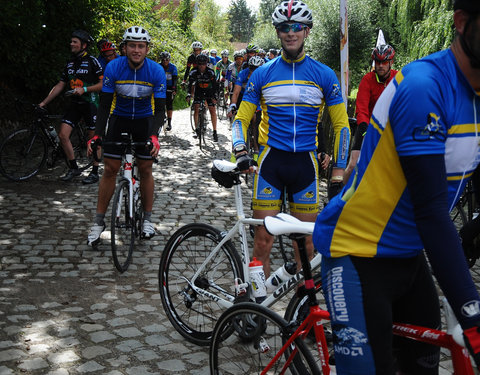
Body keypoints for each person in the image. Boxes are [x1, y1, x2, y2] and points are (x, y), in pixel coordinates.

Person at [313, 1, 480, 373]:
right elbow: (431, 211)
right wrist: (472, 313)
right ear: (463, 22)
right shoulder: (425, 86)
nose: (383, 65)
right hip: (357, 251)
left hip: (409, 254)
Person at [232, 0, 350, 276]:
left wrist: (338, 172)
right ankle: (257, 310)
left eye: (297, 27)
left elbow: (342, 126)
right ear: (278, 32)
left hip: (305, 167)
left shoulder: (324, 75)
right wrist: (240, 151)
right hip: (271, 164)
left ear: (306, 31)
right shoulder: (262, 74)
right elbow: (241, 119)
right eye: (284, 27)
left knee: (306, 246)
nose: (291, 33)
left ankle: (299, 313)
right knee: (262, 242)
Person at [87, 26, 166, 247]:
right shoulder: (114, 67)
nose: (136, 50)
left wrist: (154, 135)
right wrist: (96, 136)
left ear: (147, 49)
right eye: (132, 45)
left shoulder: (156, 71)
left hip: (144, 121)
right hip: (119, 118)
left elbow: (160, 109)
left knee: (146, 167)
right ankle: (98, 222)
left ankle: (147, 219)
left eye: (141, 46)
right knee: (110, 169)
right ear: (125, 47)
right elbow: (103, 106)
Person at [39, 29, 103, 184]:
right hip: (75, 104)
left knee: (94, 139)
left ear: (84, 45)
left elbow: (103, 84)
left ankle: (94, 171)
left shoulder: (93, 61)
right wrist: (43, 103)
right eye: (71, 41)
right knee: (62, 135)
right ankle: (74, 167)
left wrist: (85, 89)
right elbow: (60, 85)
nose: (71, 44)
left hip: (91, 103)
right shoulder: (69, 63)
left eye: (75, 42)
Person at [343, 44, 397, 183]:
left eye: (384, 62)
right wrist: (366, 129)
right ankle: (340, 197)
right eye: (377, 62)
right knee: (353, 164)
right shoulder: (368, 79)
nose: (380, 65)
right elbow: (362, 109)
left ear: (391, 62)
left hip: (390, 129)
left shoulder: (398, 78)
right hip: (366, 126)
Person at [186, 54, 218, 142]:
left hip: (209, 91)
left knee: (212, 110)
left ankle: (215, 131)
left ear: (206, 64)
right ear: (197, 64)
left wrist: (215, 96)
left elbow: (215, 85)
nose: (201, 66)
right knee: (196, 107)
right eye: (199, 64)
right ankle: (196, 129)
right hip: (199, 90)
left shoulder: (210, 72)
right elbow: (190, 84)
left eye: (203, 64)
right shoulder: (193, 72)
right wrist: (189, 94)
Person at [159, 51, 178, 131]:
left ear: (169, 60)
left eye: (167, 60)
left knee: (169, 104)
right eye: (163, 60)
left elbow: (175, 79)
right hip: (160, 86)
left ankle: (169, 122)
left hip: (170, 86)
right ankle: (162, 117)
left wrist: (174, 88)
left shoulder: (173, 67)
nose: (165, 61)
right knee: (160, 104)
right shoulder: (158, 66)